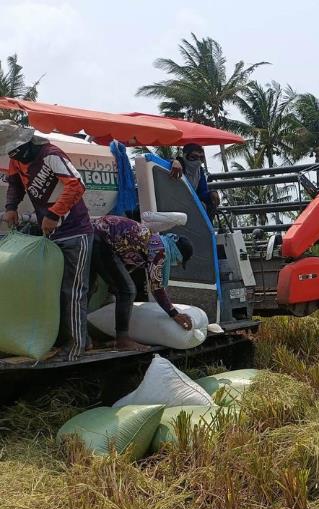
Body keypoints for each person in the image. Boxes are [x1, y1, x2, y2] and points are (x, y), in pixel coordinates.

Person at [1, 122, 92, 361]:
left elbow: (77, 184)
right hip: (50, 234)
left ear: (28, 142)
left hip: (74, 232)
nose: (14, 157)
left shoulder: (51, 155)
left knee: (72, 291)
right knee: (51, 291)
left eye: (17, 152)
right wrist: (11, 208)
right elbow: (14, 184)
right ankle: (61, 339)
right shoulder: (17, 159)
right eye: (10, 153)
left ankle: (75, 347)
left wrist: (54, 214)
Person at [90, 215, 194, 351]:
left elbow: (122, 269)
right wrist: (174, 314)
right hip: (101, 240)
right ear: (176, 253)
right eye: (179, 261)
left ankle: (87, 339)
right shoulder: (159, 250)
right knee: (128, 291)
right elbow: (156, 288)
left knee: (101, 288)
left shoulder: (152, 242)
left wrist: (111, 286)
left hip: (94, 235)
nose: (176, 264)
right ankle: (123, 340)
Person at [169, 143, 219, 216]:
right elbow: (162, 163)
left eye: (201, 158)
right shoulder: (177, 165)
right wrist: (174, 162)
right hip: (172, 204)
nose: (198, 161)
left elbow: (201, 193)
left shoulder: (200, 171)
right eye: (193, 157)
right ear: (185, 156)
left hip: (190, 206)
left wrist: (211, 194)